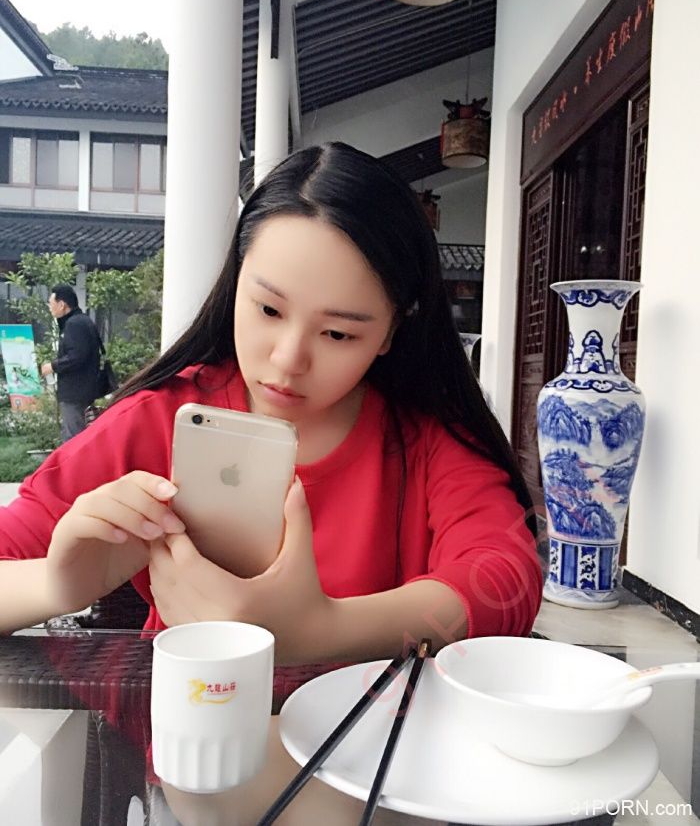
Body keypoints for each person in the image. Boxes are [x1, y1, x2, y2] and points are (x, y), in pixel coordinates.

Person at [0, 143, 542, 680]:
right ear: (236, 282)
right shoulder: (156, 421)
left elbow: (505, 577)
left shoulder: (424, 440)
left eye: (338, 333)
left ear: (389, 333)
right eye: (267, 309)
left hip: (367, 736)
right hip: (189, 729)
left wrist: (320, 630)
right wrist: (57, 585)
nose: (288, 360)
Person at [40, 283, 101, 442]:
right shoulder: (83, 320)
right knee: (80, 437)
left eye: (51, 303)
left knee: (73, 439)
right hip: (83, 390)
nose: (49, 308)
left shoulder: (74, 324)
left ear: (62, 305)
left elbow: (77, 356)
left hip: (75, 393)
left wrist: (52, 366)